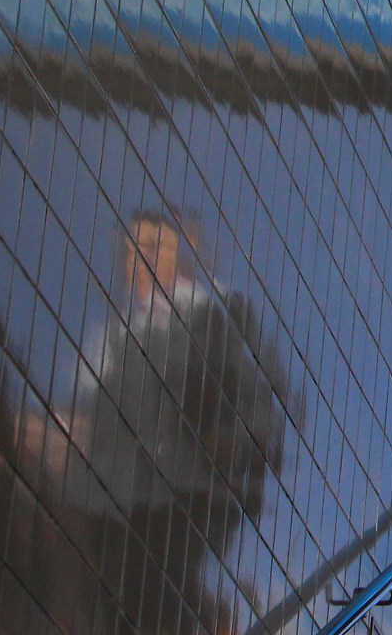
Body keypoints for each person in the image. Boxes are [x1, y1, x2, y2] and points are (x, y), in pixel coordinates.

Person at [66, 211, 294, 635]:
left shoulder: (223, 314)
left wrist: (231, 450)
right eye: (131, 250)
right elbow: (84, 419)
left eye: (154, 247)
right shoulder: (110, 335)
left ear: (184, 255)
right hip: (116, 512)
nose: (139, 259)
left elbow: (265, 400)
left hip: (184, 505)